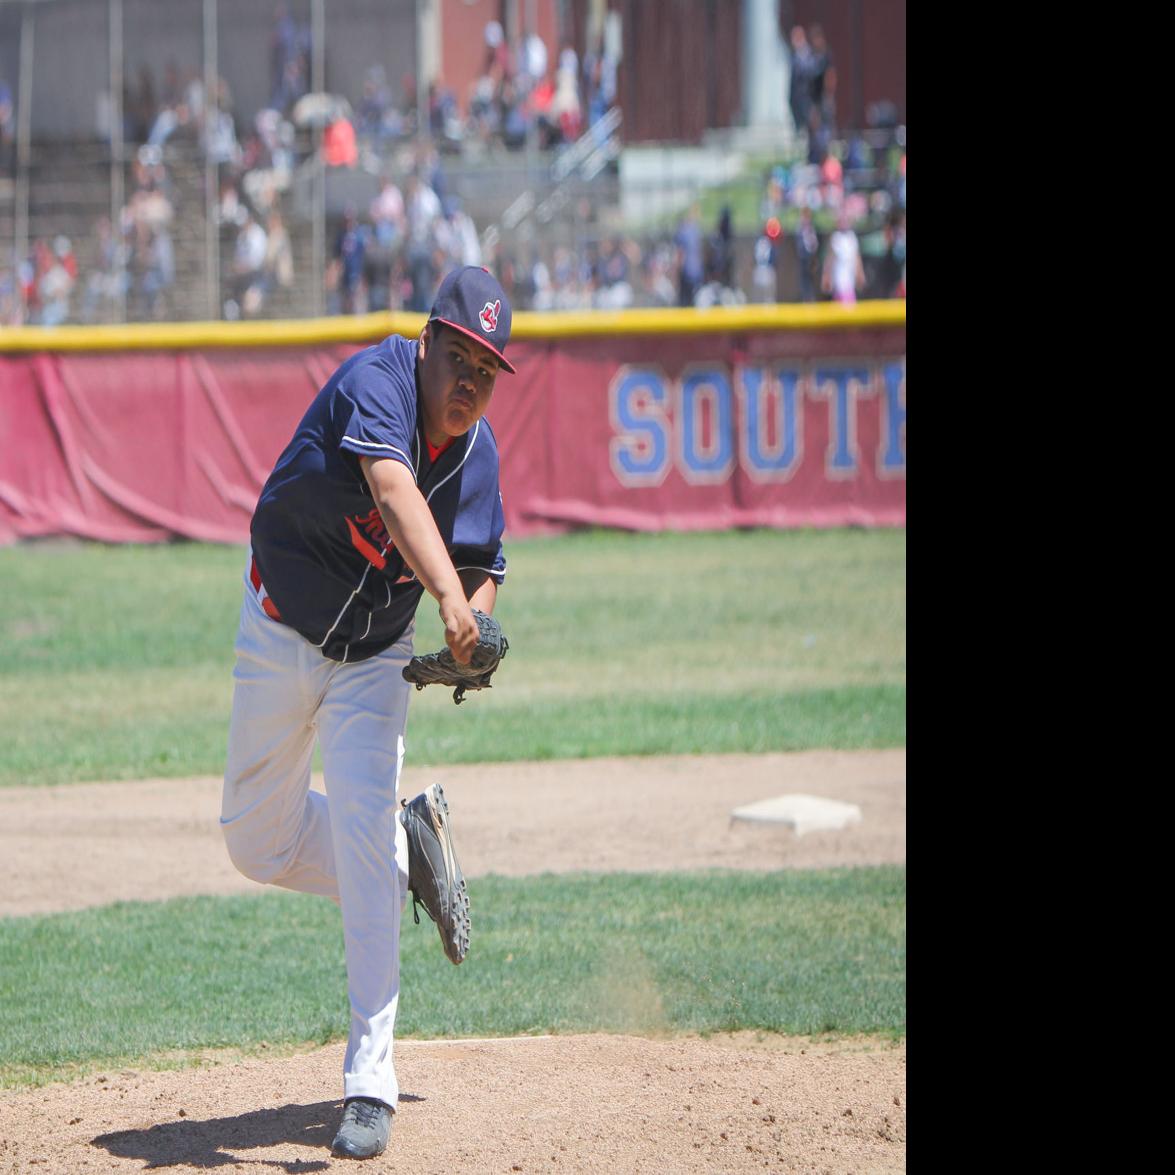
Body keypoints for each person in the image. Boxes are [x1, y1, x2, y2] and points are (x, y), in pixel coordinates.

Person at [221, 265, 516, 1161]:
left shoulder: (477, 451)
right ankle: (407, 849)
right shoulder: (375, 383)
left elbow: (480, 561)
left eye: (486, 369)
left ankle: (370, 1081)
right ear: (426, 342)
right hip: (277, 625)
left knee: (353, 822)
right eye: (458, 355)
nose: (468, 381)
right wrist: (453, 602)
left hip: (374, 661)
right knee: (254, 842)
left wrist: (475, 622)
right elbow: (391, 489)